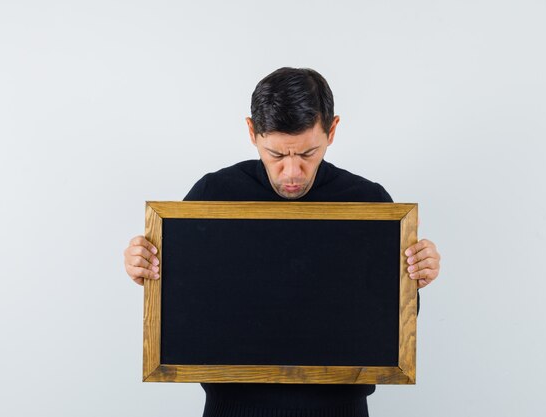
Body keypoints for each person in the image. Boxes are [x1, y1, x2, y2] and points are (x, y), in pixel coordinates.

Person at [123, 67, 441, 417]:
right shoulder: (213, 195)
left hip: (339, 409)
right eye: (276, 155)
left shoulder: (369, 202)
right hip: (233, 408)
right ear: (251, 132)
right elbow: (184, 304)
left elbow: (388, 325)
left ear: (332, 130)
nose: (292, 172)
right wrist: (146, 268)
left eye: (307, 154)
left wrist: (415, 280)